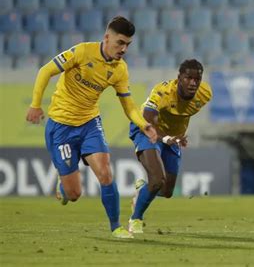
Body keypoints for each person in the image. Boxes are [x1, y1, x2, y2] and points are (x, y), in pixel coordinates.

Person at [26, 16, 158, 239]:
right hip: (61, 127)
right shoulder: (81, 52)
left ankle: (116, 227)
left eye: (128, 44)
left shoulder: (120, 70)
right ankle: (64, 188)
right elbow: (45, 71)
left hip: (89, 124)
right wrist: (36, 105)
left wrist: (143, 124)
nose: (124, 49)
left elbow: (128, 104)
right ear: (107, 38)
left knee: (106, 173)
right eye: (120, 43)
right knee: (74, 193)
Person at [127, 59, 212, 234]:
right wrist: (165, 138)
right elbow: (148, 118)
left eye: (197, 79)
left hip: (173, 138)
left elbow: (181, 115)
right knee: (157, 179)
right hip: (147, 130)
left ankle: (143, 189)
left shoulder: (205, 94)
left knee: (166, 191)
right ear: (179, 78)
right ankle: (136, 219)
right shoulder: (163, 91)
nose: (193, 83)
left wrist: (176, 136)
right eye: (189, 78)